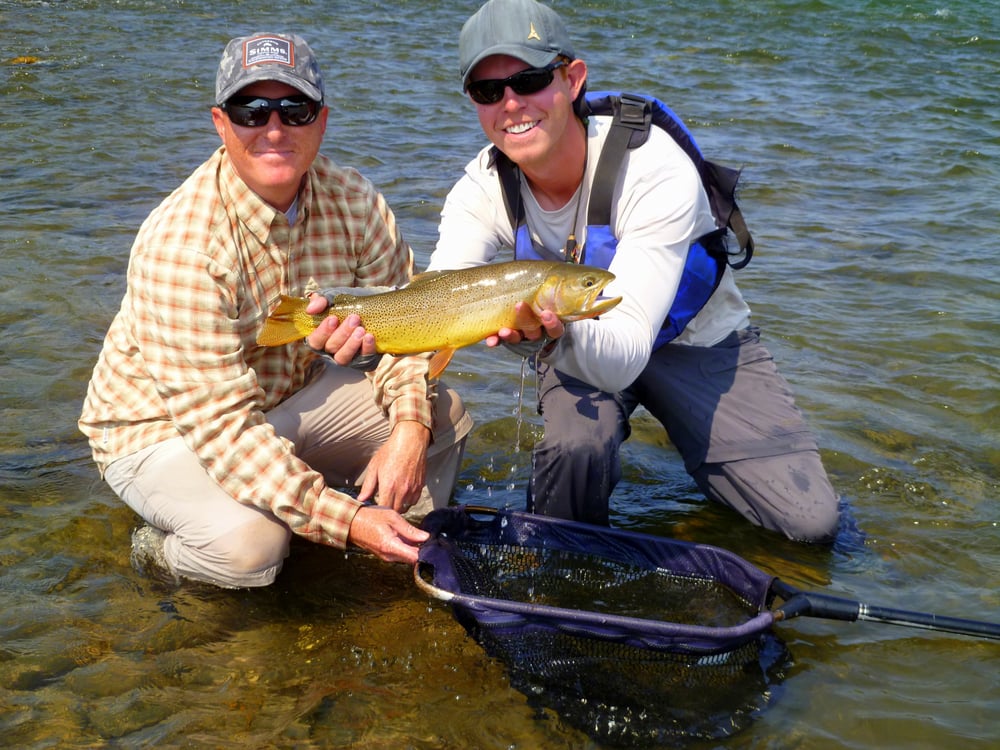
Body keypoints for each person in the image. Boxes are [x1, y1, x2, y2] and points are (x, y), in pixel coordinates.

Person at [427, 0, 839, 542]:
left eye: (529, 80)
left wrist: (551, 339)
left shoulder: (655, 167)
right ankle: (564, 558)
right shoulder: (478, 189)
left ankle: (702, 504)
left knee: (810, 525)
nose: (510, 103)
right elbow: (434, 300)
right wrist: (369, 338)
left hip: (694, 341)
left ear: (573, 78)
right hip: (576, 339)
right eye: (487, 90)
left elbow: (625, 353)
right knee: (575, 452)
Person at [79, 32, 473, 588]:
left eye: (295, 109)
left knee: (442, 417)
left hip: (282, 400)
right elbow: (224, 429)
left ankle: (401, 548)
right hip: (164, 431)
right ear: (221, 123)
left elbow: (408, 328)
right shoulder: (182, 244)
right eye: (250, 110)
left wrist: (409, 429)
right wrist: (349, 521)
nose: (273, 128)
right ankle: (163, 554)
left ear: (321, 121)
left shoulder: (356, 202)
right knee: (251, 548)